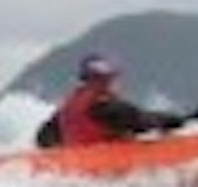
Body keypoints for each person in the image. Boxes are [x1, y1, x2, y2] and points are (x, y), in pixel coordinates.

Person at [35, 53, 184, 148]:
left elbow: (42, 138)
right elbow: (145, 121)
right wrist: (180, 122)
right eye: (110, 79)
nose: (113, 84)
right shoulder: (106, 108)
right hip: (107, 164)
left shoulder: (67, 108)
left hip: (83, 164)